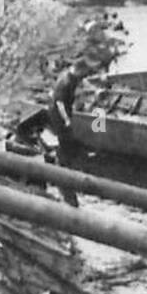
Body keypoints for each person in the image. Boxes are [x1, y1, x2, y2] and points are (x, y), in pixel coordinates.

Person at [47, 53, 99, 206]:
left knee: (67, 139)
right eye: (82, 74)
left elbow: (81, 87)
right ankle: (62, 166)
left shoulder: (71, 77)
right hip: (58, 114)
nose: (83, 77)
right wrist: (67, 119)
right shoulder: (65, 81)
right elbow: (59, 103)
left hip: (62, 111)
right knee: (65, 138)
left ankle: (65, 161)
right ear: (77, 70)